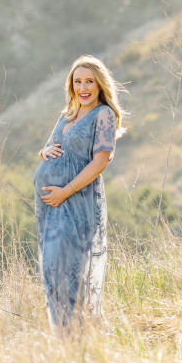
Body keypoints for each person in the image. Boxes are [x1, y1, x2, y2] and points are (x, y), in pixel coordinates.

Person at [33, 55, 125, 330]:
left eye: (89, 81)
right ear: (71, 86)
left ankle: (82, 334)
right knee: (51, 268)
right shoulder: (68, 115)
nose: (83, 87)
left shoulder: (104, 115)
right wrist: (44, 152)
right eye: (77, 81)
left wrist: (65, 191)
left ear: (99, 85)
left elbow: (101, 161)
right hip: (51, 207)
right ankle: (64, 335)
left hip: (77, 202)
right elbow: (47, 148)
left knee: (72, 271)